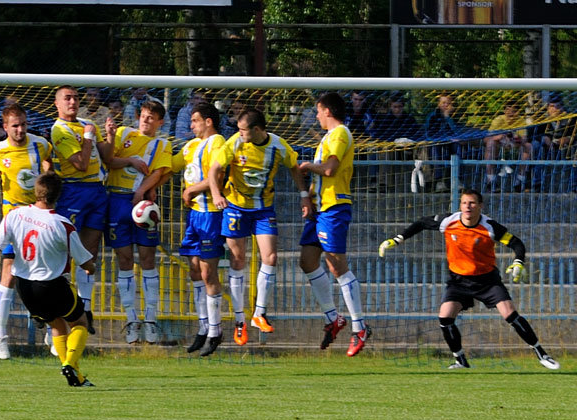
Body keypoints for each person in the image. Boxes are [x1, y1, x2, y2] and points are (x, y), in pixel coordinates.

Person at [378, 188, 560, 370]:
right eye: (464, 203)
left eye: (472, 203)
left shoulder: (490, 226)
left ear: (480, 206)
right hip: (458, 280)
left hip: (487, 280)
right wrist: (397, 239)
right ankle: (460, 360)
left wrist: (518, 262)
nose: (468, 207)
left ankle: (542, 354)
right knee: (445, 317)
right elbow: (420, 223)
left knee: (510, 314)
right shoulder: (448, 221)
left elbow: (516, 243)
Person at [0, 171, 97, 387]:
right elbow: (86, 263)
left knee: (57, 326)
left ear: (36, 192)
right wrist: (91, 267)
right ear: (59, 195)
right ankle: (69, 362)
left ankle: (76, 377)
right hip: (52, 284)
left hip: (24, 287)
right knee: (80, 322)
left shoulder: (14, 215)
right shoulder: (62, 224)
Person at [208, 108, 310, 345]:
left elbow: (294, 167)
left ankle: (258, 314)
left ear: (256, 130)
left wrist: (304, 194)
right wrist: (215, 194)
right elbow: (214, 170)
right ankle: (239, 321)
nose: (239, 133)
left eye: (243, 130)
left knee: (271, 257)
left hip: (263, 209)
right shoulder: (234, 144)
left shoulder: (278, 146)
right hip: (235, 207)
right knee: (238, 260)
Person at [0, 103, 53, 359]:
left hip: (38, 213)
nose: (20, 130)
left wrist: (47, 171)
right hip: (13, 215)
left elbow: (49, 166)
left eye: (23, 124)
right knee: (8, 270)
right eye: (15, 126)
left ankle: (51, 328)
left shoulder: (40, 144)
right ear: (5, 126)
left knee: (45, 271)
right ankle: (0, 336)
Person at [298, 92, 371, 355]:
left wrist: (308, 166)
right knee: (307, 260)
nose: (316, 116)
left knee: (336, 265)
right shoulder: (328, 137)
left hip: (334, 206)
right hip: (320, 208)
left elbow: (329, 169)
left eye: (317, 111)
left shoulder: (340, 133)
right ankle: (333, 318)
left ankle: (359, 326)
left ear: (327, 110)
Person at [51, 85, 117, 337]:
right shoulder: (59, 130)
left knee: (90, 250)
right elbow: (79, 164)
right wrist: (89, 138)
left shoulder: (89, 123)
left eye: (75, 97)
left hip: (97, 191)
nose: (73, 101)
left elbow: (107, 158)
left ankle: (85, 307)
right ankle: (56, 311)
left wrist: (109, 136)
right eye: (67, 98)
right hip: (74, 191)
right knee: (66, 250)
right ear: (57, 104)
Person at [107, 99, 172, 344]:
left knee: (147, 259)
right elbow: (109, 161)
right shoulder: (124, 134)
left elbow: (158, 172)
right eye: (143, 115)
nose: (146, 120)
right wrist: (130, 161)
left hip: (143, 203)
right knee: (124, 260)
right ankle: (131, 320)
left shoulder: (162, 144)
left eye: (151, 117)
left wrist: (141, 191)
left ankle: (151, 320)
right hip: (117, 201)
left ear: (160, 122)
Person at [171, 102, 226, 356]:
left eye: (194, 121)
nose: (190, 125)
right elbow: (169, 166)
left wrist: (192, 189)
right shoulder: (191, 146)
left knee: (207, 272)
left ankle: (215, 331)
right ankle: (203, 327)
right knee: (193, 269)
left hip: (211, 215)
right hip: (194, 216)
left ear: (208, 122)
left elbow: (218, 176)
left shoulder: (217, 143)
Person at [483, 100, 533, 192]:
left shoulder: (520, 121)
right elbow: (486, 139)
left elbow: (524, 139)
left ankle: (520, 180)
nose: (510, 113)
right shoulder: (498, 120)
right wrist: (497, 137)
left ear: (517, 112)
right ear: (504, 111)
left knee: (528, 146)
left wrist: (516, 138)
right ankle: (491, 180)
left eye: (513, 111)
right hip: (499, 146)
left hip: (514, 146)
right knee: (490, 143)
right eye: (508, 110)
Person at [533, 95, 576, 192]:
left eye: (558, 106)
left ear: (562, 107)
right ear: (548, 108)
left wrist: (568, 139)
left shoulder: (570, 119)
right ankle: (537, 184)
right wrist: (544, 138)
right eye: (552, 106)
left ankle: (573, 186)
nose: (555, 109)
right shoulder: (542, 120)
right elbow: (533, 134)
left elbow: (574, 134)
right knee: (536, 146)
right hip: (547, 149)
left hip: (566, 149)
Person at [424, 92, 464, 192]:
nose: (446, 105)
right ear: (439, 104)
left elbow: (457, 132)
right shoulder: (433, 116)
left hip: (450, 142)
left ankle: (456, 178)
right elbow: (430, 132)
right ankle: (439, 181)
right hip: (436, 141)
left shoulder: (455, 116)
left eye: (448, 103)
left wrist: (448, 118)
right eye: (444, 103)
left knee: (457, 146)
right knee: (436, 147)